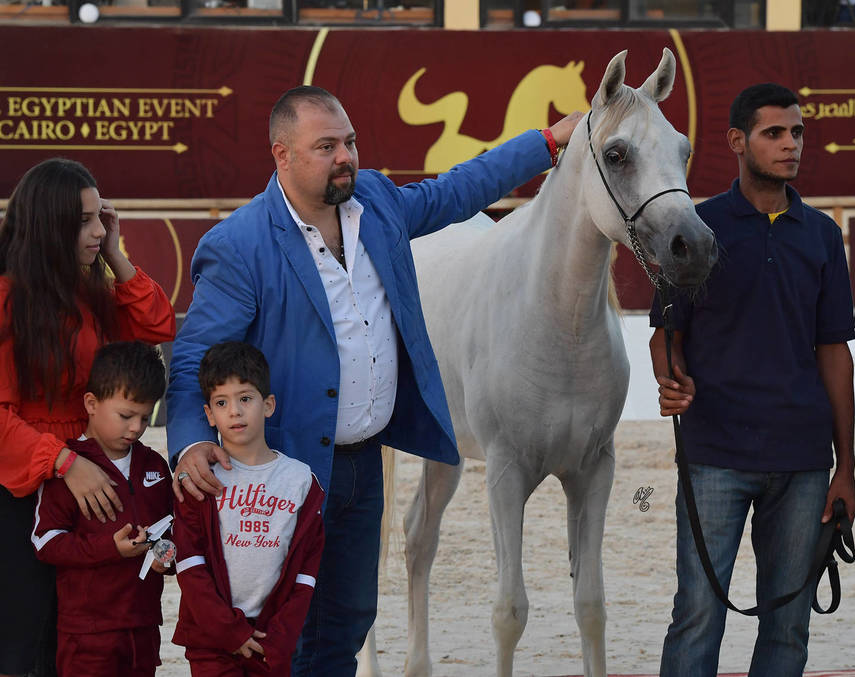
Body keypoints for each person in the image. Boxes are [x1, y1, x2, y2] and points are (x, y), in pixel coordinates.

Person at [164, 84, 580, 675]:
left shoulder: (378, 203)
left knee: (349, 621)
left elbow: (460, 188)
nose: (345, 156)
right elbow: (192, 358)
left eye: (351, 141)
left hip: (362, 464)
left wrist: (546, 142)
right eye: (326, 146)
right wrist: (187, 443)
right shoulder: (240, 245)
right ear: (282, 156)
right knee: (284, 629)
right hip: (280, 470)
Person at [649, 83, 855, 677]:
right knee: (697, 613)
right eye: (774, 133)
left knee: (788, 626)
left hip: (802, 462)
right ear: (737, 142)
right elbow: (666, 334)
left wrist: (845, 467)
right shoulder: (696, 224)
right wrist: (671, 378)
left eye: (797, 133)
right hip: (714, 455)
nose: (790, 145)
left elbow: (834, 353)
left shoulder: (820, 233)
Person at [0, 157, 176, 677]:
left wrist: (116, 256)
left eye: (101, 217)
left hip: (82, 479)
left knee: (69, 648)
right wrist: (66, 464)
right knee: (14, 655)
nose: (98, 230)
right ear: (48, 225)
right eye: (84, 221)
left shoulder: (91, 293)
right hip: (11, 489)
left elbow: (158, 323)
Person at [173, 341, 325, 676]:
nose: (235, 411)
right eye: (222, 402)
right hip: (211, 640)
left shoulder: (300, 482)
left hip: (271, 642)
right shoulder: (201, 480)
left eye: (245, 398)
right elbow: (190, 566)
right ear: (209, 414)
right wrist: (229, 631)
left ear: (268, 404)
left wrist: (281, 639)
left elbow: (305, 575)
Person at [32, 341, 174, 677]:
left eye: (145, 415)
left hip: (144, 627)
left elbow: (169, 532)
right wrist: (110, 548)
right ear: (91, 403)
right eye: (126, 415)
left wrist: (166, 556)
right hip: (86, 633)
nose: (137, 427)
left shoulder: (154, 464)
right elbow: (45, 542)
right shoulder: (68, 468)